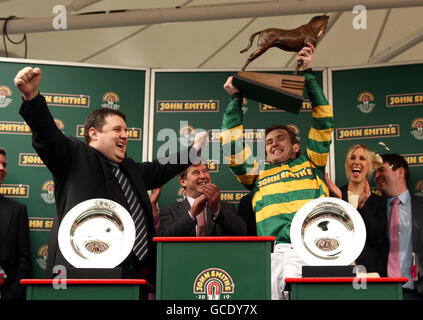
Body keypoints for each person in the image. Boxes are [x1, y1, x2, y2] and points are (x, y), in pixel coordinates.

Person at [14, 67, 207, 285]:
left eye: (126, 130)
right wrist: (32, 98)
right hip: (84, 276)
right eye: (117, 129)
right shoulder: (74, 156)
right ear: (94, 133)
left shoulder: (129, 168)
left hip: (132, 277)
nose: (125, 135)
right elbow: (48, 136)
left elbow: (158, 169)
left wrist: (193, 152)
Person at [220, 43, 334, 299]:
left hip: (314, 251)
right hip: (273, 256)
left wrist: (308, 75)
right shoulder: (257, 176)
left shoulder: (311, 162)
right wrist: (236, 99)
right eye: (269, 142)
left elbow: (324, 121)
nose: (274, 144)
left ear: (295, 146)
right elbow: (230, 143)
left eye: (280, 139)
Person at [324, 144, 385, 274]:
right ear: (347, 164)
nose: (356, 162)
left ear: (369, 167)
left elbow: (378, 240)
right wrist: (340, 204)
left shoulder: (379, 202)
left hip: (369, 273)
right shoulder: (335, 197)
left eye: (362, 158)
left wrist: (363, 207)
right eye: (352, 158)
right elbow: (327, 237)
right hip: (339, 271)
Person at [370, 153, 423, 299]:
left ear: (400, 172)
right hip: (382, 293)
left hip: (417, 292)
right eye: (375, 173)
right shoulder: (371, 209)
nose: (376, 177)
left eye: (381, 169)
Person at [158, 162, 247, 236]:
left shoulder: (225, 208)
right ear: (182, 181)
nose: (203, 176)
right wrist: (191, 215)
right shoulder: (169, 211)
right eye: (196, 172)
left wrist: (217, 210)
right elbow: (163, 240)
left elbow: (242, 233)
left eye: (205, 171)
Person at [0, 147, 31, 300]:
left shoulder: (17, 210)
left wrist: (11, 295)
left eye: (4, 165)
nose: (1, 169)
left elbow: (24, 262)